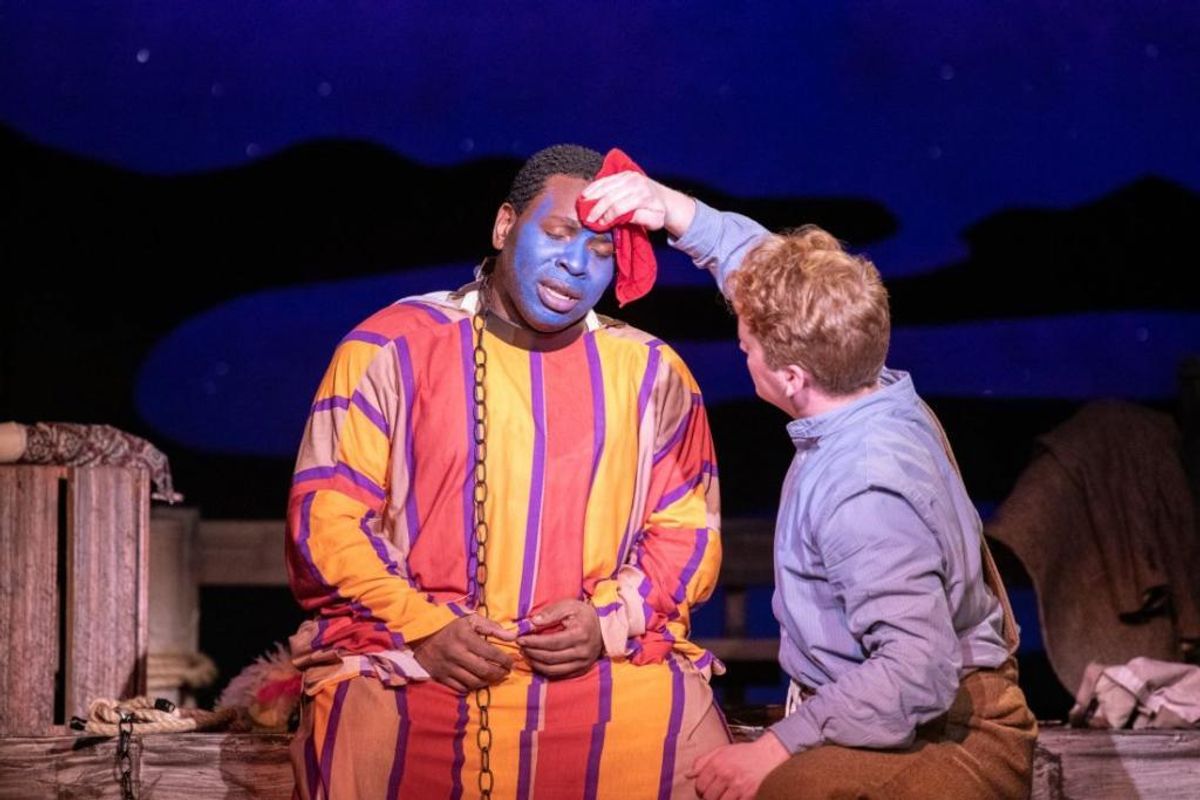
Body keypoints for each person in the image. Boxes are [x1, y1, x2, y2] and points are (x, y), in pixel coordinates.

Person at [284, 144, 729, 800]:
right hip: (418, 662)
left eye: (602, 252)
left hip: (591, 672)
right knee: (363, 730)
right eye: (557, 235)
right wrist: (428, 630)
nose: (576, 265)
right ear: (503, 227)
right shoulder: (390, 347)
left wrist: (603, 623)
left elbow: (687, 533)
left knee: (688, 742)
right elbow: (327, 521)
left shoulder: (651, 375)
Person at [580, 172, 1037, 799]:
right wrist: (673, 210)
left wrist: (776, 748)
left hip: (949, 730)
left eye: (746, 348)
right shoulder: (864, 369)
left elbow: (915, 674)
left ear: (791, 377)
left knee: (773, 789)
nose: (742, 352)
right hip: (893, 710)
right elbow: (778, 278)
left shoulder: (865, 490)